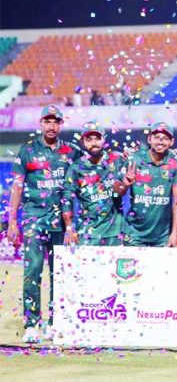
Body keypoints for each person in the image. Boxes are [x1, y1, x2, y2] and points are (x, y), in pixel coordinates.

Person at [8, 105, 82, 343]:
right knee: (33, 271)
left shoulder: (72, 151)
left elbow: (88, 173)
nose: (51, 126)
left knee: (59, 273)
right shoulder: (27, 151)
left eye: (55, 122)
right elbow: (17, 186)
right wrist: (12, 221)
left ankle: (54, 322)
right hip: (34, 219)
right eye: (47, 121)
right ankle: (32, 325)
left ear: (61, 124)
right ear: (41, 124)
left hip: (61, 221)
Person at [116, 122, 177, 247]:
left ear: (171, 142)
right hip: (134, 234)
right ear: (149, 139)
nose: (160, 141)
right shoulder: (134, 159)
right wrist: (125, 185)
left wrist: (174, 233)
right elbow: (117, 192)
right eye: (156, 137)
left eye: (165, 138)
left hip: (162, 236)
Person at [61, 120, 124, 247]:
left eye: (97, 138)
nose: (94, 143)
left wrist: (131, 153)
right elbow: (67, 198)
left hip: (115, 232)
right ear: (82, 142)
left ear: (104, 139)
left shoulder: (117, 159)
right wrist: (69, 227)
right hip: (88, 233)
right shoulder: (75, 168)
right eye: (89, 139)